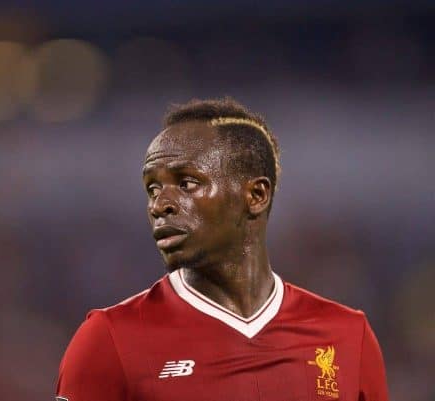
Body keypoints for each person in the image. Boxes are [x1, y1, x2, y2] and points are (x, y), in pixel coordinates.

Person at [55, 98, 388, 401]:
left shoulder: (345, 337)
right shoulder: (109, 340)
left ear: (256, 196)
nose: (160, 205)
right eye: (152, 188)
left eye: (187, 183)